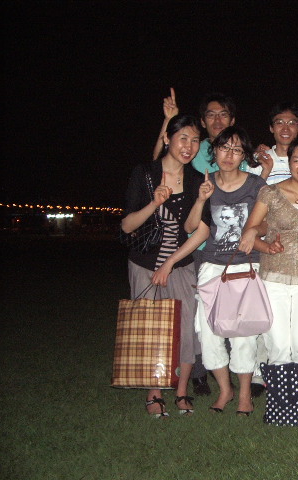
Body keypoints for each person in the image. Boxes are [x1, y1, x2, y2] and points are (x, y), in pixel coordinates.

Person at [152, 126, 266, 417]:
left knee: (243, 333)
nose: (229, 155)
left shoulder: (256, 185)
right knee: (209, 331)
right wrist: (202, 199)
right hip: (213, 265)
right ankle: (225, 389)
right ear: (214, 151)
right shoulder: (206, 182)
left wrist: (254, 230)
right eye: (224, 148)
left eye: (237, 150)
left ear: (244, 155)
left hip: (246, 265)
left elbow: (267, 223)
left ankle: (244, 395)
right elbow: (192, 228)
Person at [121, 114, 204, 417]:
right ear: (168, 139)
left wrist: (169, 264)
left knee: (186, 327)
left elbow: (197, 229)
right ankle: (154, 392)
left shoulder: (197, 180)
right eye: (183, 138)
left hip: (180, 265)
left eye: (195, 140)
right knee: (150, 327)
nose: (189, 146)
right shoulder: (145, 174)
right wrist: (154, 204)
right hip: (144, 263)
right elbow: (128, 225)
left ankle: (181, 391)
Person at [239, 136, 298, 412]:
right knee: (277, 343)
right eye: (297, 160)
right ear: (288, 162)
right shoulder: (270, 192)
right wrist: (266, 244)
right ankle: (281, 403)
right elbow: (251, 231)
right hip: (274, 277)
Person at [249, 102, 298, 184]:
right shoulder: (259, 160)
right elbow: (249, 191)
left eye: (292, 123)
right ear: (271, 128)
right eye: (279, 123)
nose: (285, 129)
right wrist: (265, 172)